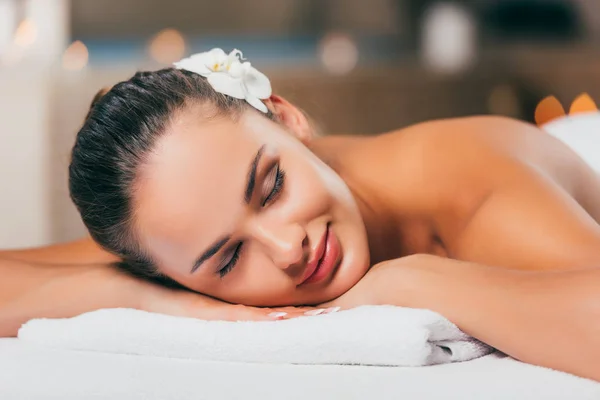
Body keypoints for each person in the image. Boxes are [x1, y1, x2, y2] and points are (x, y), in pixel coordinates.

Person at [1, 48, 599, 381]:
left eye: (272, 187)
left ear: (287, 119)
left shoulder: (469, 184)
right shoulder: (184, 227)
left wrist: (419, 280)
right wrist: (148, 300)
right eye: (230, 258)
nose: (288, 248)